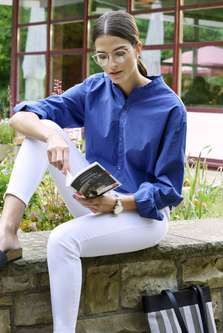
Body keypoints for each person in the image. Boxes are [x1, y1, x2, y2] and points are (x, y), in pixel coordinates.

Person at [0, 11, 186, 333]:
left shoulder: (170, 108)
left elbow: (168, 190)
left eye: (119, 53)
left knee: (61, 240)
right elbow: (21, 115)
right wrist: (54, 134)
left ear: (137, 48)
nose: (111, 65)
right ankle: (7, 232)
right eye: (102, 56)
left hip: (142, 216)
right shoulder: (95, 89)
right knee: (41, 132)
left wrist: (119, 202)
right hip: (92, 198)